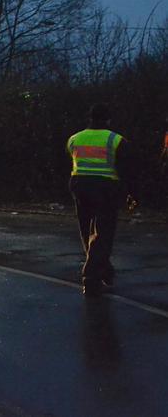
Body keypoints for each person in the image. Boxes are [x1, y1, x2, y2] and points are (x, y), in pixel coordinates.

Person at [67, 103, 137, 295]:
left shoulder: (74, 139)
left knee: (86, 229)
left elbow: (73, 159)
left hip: (79, 186)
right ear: (108, 120)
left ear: (89, 118)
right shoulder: (116, 140)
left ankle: (103, 269)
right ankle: (91, 276)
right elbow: (126, 170)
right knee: (103, 233)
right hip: (106, 188)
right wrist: (130, 192)